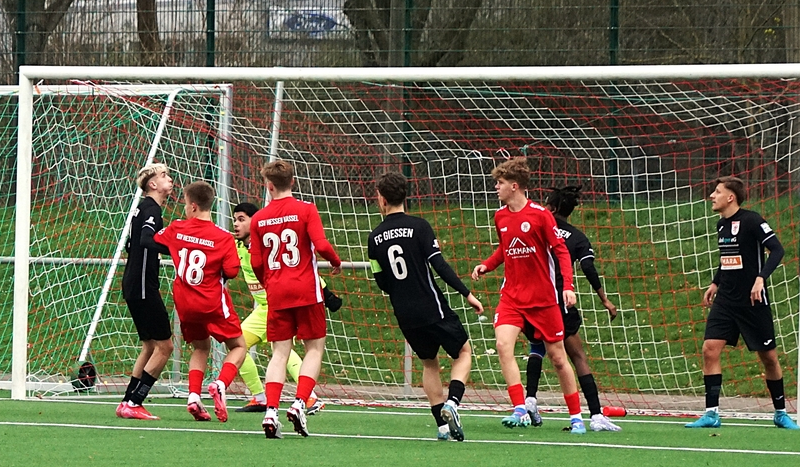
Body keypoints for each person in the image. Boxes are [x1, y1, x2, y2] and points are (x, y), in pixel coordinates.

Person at [471, 157, 587, 434]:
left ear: (514, 186)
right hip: (512, 297)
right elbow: (505, 248)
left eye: (499, 183)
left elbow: (560, 250)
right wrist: (487, 265)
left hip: (543, 299)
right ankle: (520, 408)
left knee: (558, 358)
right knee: (503, 345)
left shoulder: (540, 215)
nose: (496, 188)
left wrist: (567, 286)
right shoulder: (500, 217)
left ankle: (576, 417)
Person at [368, 171, 484, 441]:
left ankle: (442, 427)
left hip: (405, 313)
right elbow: (439, 265)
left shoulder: (374, 238)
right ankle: (452, 403)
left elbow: (382, 281)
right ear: (404, 196)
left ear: (382, 199)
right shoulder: (419, 227)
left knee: (429, 363)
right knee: (463, 352)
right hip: (432, 306)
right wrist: (467, 293)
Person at [686, 176, 798, 430]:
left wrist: (760, 278)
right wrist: (715, 283)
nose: (712, 196)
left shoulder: (752, 220)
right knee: (709, 349)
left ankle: (780, 412)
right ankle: (711, 413)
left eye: (717, 192)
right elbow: (728, 258)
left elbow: (777, 250)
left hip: (752, 301)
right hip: (726, 300)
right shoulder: (721, 225)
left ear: (730, 197)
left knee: (769, 358)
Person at [249, 160, 343, 438]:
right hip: (306, 290)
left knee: (280, 352)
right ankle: (300, 403)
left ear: (268, 186)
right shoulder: (306, 209)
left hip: (277, 291)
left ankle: (270, 411)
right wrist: (335, 261)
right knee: (314, 348)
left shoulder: (259, 218)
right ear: (292, 181)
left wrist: (268, 282)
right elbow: (321, 244)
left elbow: (256, 262)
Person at [522, 185, 622, 432]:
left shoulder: (536, 230)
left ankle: (530, 399)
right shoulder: (577, 237)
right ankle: (596, 415)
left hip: (530, 300)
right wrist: (604, 299)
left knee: (537, 347)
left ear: (551, 208)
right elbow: (588, 268)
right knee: (577, 356)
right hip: (558, 301)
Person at [232, 202, 340, 414]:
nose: (235, 224)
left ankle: (307, 397)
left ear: (255, 221)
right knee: (238, 345)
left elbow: (296, 268)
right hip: (265, 307)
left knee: (281, 351)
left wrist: (326, 293)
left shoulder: (265, 241)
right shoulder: (238, 246)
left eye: (241, 219)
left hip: (278, 302)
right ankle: (261, 397)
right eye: (234, 220)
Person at [154, 181, 247, 422]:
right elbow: (232, 271)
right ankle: (220, 384)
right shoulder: (223, 237)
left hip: (185, 304)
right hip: (211, 302)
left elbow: (157, 240)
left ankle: (194, 396)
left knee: (201, 347)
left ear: (193, 206)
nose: (185, 209)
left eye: (186, 204)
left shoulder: (177, 228)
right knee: (239, 346)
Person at [117, 163, 175, 420]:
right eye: (163, 175)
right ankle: (135, 401)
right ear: (152, 184)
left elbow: (131, 245)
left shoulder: (142, 208)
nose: (169, 179)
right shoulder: (151, 209)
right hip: (142, 286)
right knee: (165, 346)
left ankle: (127, 401)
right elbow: (145, 240)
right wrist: (176, 248)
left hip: (134, 283)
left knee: (150, 345)